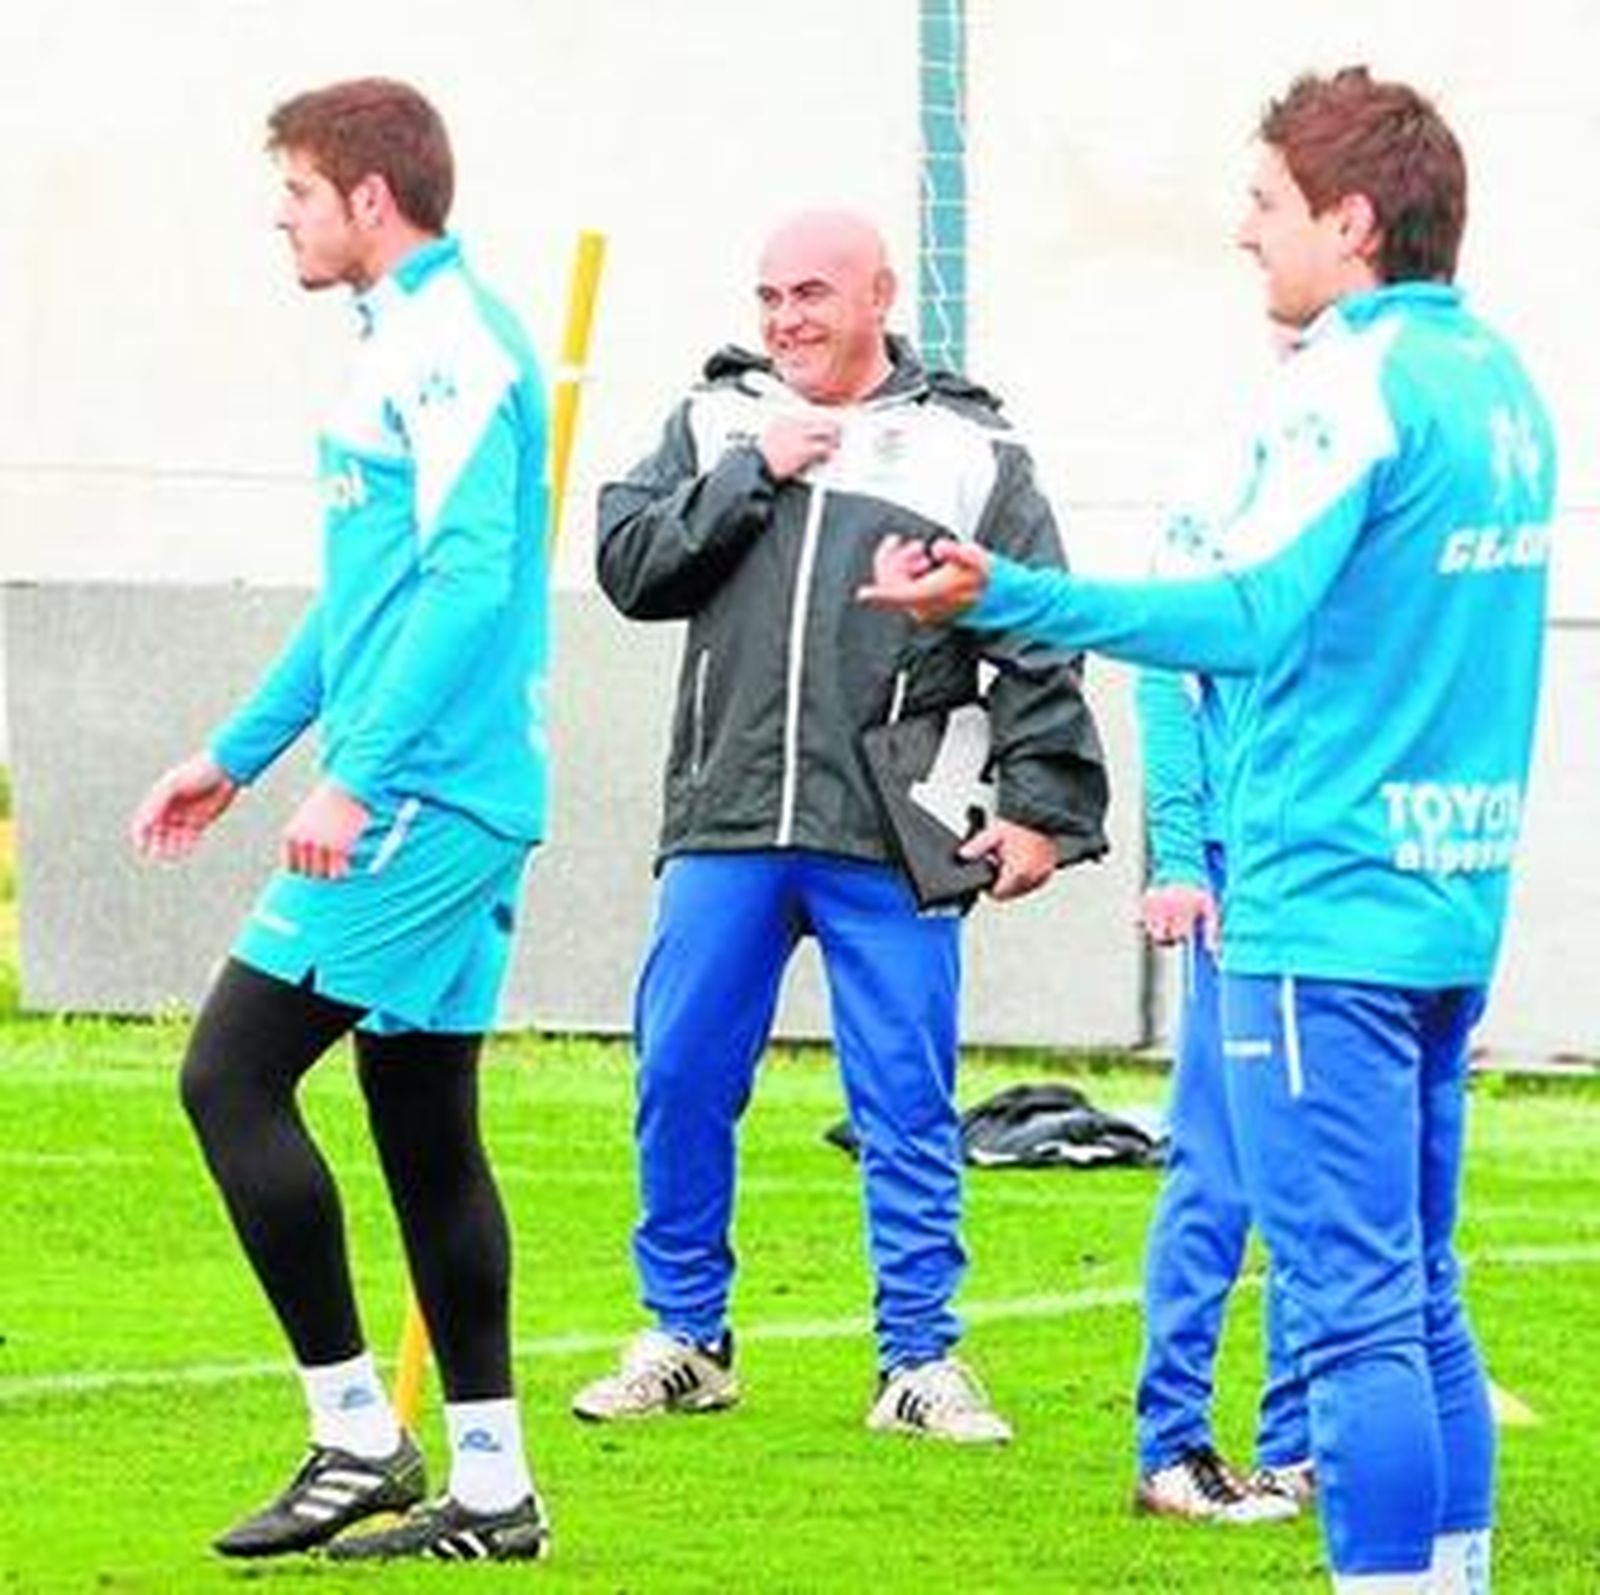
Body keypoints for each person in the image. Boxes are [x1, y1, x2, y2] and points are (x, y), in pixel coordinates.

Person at [862, 66, 1555, 1592]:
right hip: (1449, 900)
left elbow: (1240, 615)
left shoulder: (1349, 381)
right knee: (1421, 1289)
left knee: (1358, 1305)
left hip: (1326, 909)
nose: (1246, 233)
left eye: (1267, 204)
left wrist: (1010, 593)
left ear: (1352, 220)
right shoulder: (1501, 382)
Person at [573, 209, 1110, 1443]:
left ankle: (918, 1358)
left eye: (809, 293)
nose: (783, 319)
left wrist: (1041, 808)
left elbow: (1035, 626)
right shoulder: (715, 421)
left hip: (891, 830)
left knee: (904, 1097)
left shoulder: (969, 446)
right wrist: (750, 471)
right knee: (680, 1075)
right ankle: (684, 1335)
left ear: (878, 296)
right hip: (723, 820)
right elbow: (628, 564)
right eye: (766, 296)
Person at [130, 78, 552, 1564]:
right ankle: (495, 1490)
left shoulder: (450, 349)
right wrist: (236, 755)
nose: (282, 221)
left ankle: (357, 1434)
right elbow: (366, 601)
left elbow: (462, 581)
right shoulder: (407, 345)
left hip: (426, 798)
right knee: (425, 1127)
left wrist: (356, 775)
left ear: (373, 198)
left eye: (298, 194)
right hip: (449, 790)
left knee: (228, 1075)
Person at [1132, 628, 1310, 1523]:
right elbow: (1165, 669)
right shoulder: (1225, 508)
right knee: (1223, 1161)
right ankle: (1171, 1444)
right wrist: (1176, 855)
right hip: (1240, 866)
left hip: (1338, 863)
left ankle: (1296, 1443)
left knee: (1323, 1169)